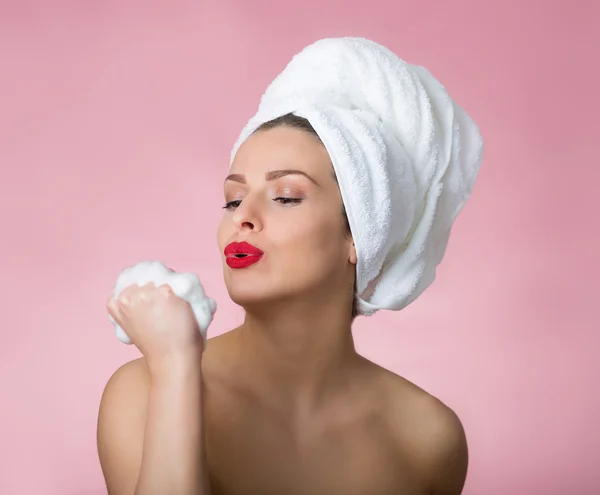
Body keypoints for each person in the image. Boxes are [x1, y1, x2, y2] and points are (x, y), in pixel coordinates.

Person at [97, 38, 483, 495]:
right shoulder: (145, 389)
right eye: (233, 199)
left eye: (285, 197)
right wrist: (177, 367)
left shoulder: (427, 438)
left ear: (359, 236)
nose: (242, 215)